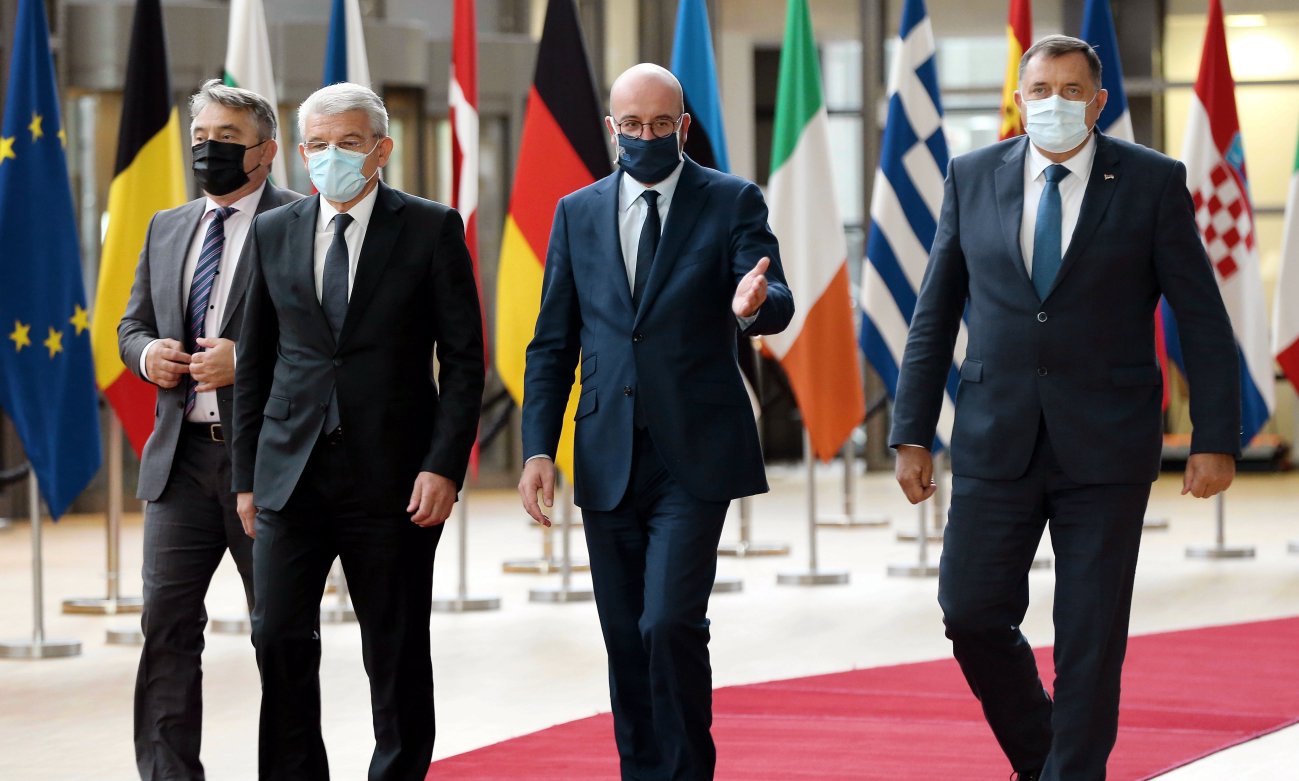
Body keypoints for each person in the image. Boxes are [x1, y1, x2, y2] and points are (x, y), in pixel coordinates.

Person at [890, 35, 1241, 781]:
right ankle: (1044, 759)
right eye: (1039, 88)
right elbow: (934, 313)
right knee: (970, 611)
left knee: (1087, 637)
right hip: (992, 436)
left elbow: (1200, 317)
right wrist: (910, 431)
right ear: (1018, 96)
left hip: (1105, 446)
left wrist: (1216, 436)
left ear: (1098, 100)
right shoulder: (971, 176)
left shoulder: (1149, 182)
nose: (1053, 103)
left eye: (1070, 89)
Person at [518, 63, 792, 781]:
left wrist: (753, 305)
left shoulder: (731, 199)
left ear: (683, 127)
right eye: (631, 126)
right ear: (611, 129)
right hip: (606, 451)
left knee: (667, 621)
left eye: (659, 125)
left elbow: (775, 293)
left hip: (695, 452)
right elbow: (552, 342)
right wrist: (536, 448)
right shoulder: (576, 212)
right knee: (623, 637)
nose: (645, 137)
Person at [230, 82, 484, 781]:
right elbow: (253, 361)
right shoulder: (274, 229)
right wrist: (246, 475)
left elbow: (463, 360)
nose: (329, 156)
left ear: (381, 148)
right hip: (290, 472)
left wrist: (444, 465)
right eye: (315, 145)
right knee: (276, 634)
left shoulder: (431, 228)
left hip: (396, 478)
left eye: (346, 142)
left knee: (395, 648)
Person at [118, 79, 300, 781]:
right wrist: (145, 354)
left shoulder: (300, 222)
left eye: (226, 139)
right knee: (165, 629)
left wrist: (247, 363)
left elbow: (330, 344)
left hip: (267, 467)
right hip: (179, 464)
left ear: (265, 152)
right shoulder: (168, 225)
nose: (208, 151)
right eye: (200, 137)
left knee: (278, 634)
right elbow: (131, 324)